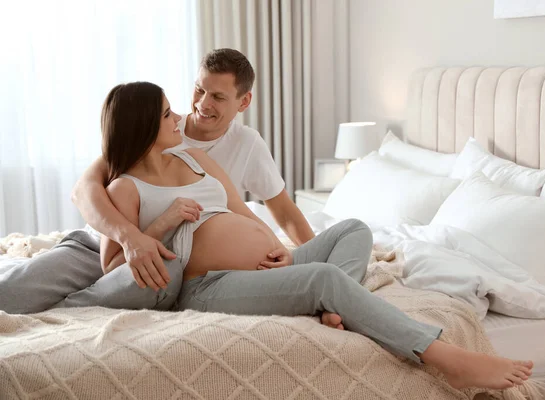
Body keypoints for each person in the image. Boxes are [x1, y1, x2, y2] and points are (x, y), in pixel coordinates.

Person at [57, 81, 532, 392]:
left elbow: (247, 214)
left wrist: (281, 251)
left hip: (269, 265)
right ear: (143, 127)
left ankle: (332, 306)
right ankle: (442, 354)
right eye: (166, 114)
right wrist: (162, 225)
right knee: (324, 276)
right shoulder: (123, 186)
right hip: (208, 285)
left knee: (352, 228)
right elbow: (114, 274)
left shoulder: (194, 160)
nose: (180, 115)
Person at [0, 49, 321, 318]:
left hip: (173, 267)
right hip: (105, 248)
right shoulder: (155, 130)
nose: (202, 103)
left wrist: (308, 259)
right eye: (199, 89)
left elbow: (284, 212)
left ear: (243, 101)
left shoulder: (246, 144)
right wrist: (130, 239)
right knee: (14, 294)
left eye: (218, 97)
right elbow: (83, 191)